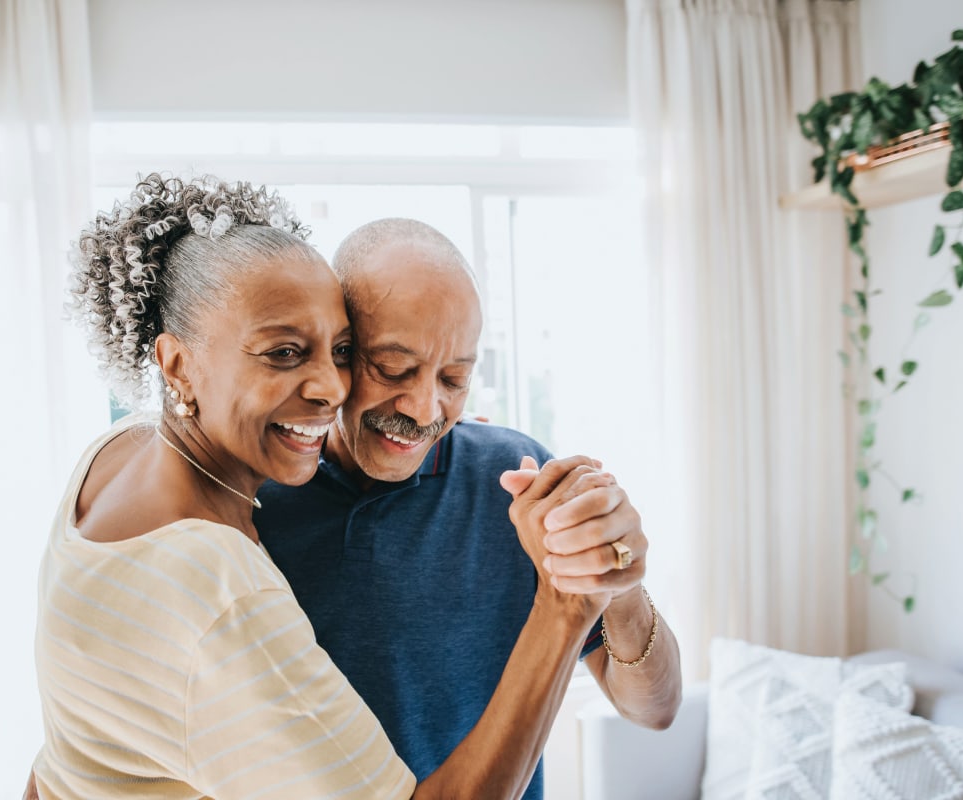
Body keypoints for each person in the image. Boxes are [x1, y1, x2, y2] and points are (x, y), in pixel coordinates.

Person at [30, 175, 621, 800]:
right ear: (178, 363)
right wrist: (565, 606)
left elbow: (61, 762)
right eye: (284, 352)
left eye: (340, 351)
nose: (331, 389)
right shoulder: (223, 587)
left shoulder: (111, 458)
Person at [253, 218, 683, 799]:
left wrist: (621, 586)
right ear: (338, 349)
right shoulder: (252, 501)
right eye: (394, 369)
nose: (425, 406)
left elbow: (654, 711)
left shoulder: (517, 478)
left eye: (455, 377)